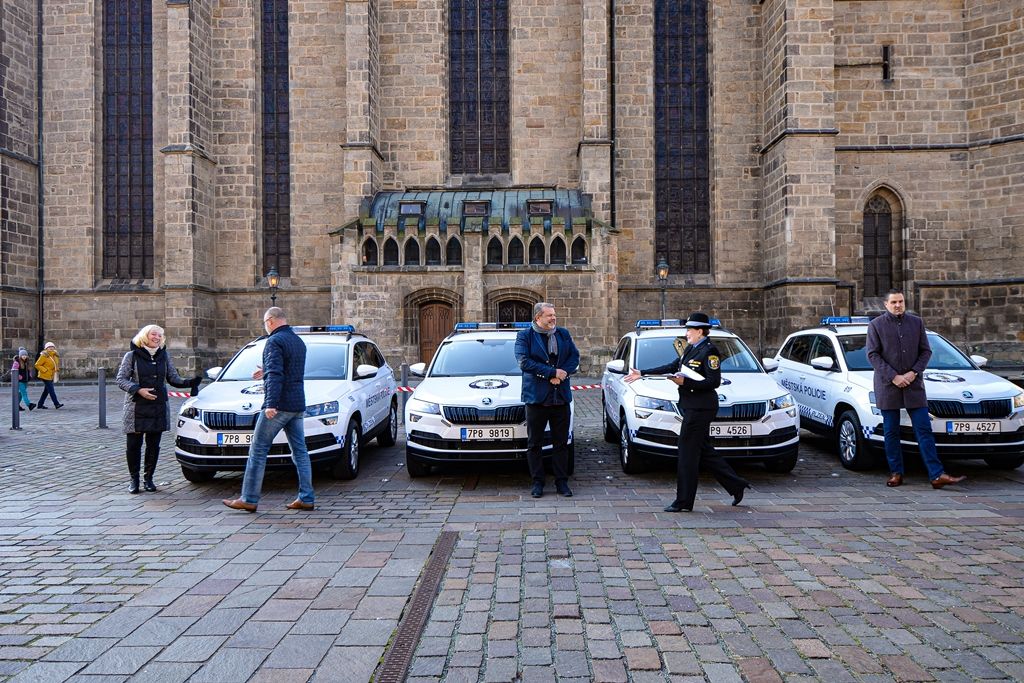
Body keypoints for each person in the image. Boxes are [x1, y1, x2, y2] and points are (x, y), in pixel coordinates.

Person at [625, 312, 750, 512]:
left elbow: (713, 381)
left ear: (700, 331)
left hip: (701, 408)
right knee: (703, 451)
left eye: (689, 330)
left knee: (687, 455)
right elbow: (673, 366)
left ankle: (684, 501)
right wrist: (642, 373)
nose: (687, 333)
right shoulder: (691, 348)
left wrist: (686, 382)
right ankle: (736, 485)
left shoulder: (710, 352)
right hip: (691, 406)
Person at [866, 290, 965, 489]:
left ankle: (936, 475)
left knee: (924, 430)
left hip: (914, 385)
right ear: (886, 304)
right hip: (888, 385)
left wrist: (913, 372)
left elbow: (926, 351)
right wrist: (894, 376)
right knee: (891, 431)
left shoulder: (916, 322)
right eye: (893, 302)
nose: (897, 305)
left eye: (901, 301)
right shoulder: (876, 325)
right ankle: (896, 473)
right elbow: (873, 355)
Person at [224, 307, 315, 512]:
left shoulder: (274, 341)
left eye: (265, 323)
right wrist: (264, 371)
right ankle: (307, 497)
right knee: (300, 451)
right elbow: (289, 369)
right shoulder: (297, 341)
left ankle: (248, 498)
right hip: (297, 404)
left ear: (271, 321)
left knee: (258, 450)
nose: (265, 327)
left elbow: (276, 374)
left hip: (280, 405)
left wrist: (271, 403)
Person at [116, 325, 201, 494]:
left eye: (160, 335)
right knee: (134, 445)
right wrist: (138, 390)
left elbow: (173, 378)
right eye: (153, 334)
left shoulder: (164, 355)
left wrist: (190, 383)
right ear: (144, 336)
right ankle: (134, 480)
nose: (157, 337)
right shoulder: (131, 356)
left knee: (153, 445)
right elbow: (121, 379)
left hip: (158, 406)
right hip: (136, 407)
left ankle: (149, 479)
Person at [514, 302, 580, 499]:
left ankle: (561, 482)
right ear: (538, 318)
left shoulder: (563, 334)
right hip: (536, 399)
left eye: (554, 315)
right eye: (549, 315)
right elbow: (524, 362)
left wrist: (562, 374)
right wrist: (551, 372)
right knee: (535, 443)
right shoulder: (525, 336)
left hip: (560, 398)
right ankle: (537, 482)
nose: (553, 318)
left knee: (561, 443)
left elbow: (574, 357)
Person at [34, 342, 64, 409]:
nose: (51, 348)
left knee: (46, 391)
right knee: (51, 390)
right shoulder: (44, 355)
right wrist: (45, 370)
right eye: (49, 347)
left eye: (52, 346)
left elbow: (55, 364)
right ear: (46, 348)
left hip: (51, 375)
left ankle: (40, 404)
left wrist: (56, 370)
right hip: (45, 375)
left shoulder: (55, 355)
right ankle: (56, 404)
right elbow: (37, 364)